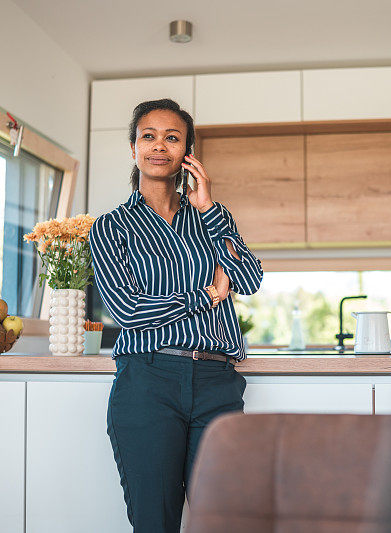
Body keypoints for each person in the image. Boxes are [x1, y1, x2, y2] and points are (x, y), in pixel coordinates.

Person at [89, 98, 264, 532]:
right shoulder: (111, 228)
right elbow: (128, 310)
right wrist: (204, 295)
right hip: (148, 382)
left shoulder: (209, 218)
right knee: (155, 524)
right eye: (148, 136)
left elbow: (249, 277)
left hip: (217, 383)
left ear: (188, 152)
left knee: (224, 521)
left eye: (172, 137)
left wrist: (210, 210)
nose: (159, 146)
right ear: (134, 147)